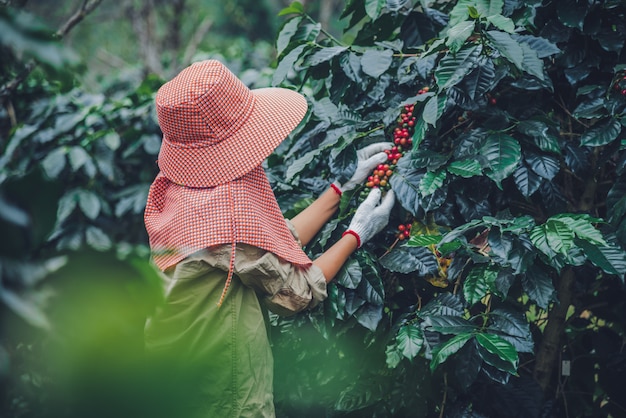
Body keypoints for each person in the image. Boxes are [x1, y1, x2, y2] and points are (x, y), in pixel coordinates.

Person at [143, 60, 395, 418]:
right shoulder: (226, 214)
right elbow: (297, 293)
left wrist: (339, 189)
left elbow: (265, 246)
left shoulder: (180, 188)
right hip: (217, 393)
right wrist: (358, 232)